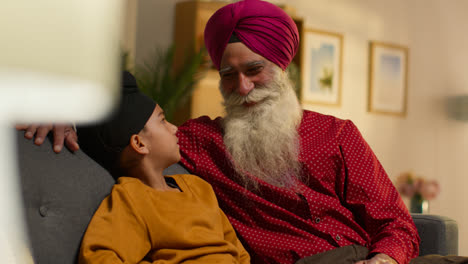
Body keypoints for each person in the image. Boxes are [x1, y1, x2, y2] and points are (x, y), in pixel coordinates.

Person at [18, 1, 446, 264]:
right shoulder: (200, 142)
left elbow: (396, 222)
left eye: (254, 71)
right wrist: (67, 105)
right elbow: (133, 130)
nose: (242, 88)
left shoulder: (338, 134)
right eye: (228, 76)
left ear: (282, 67)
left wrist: (384, 260)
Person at [76, 72, 250, 264]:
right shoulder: (132, 199)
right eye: (162, 120)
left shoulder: (199, 187)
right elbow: (98, 256)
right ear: (139, 143)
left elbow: (239, 253)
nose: (175, 128)